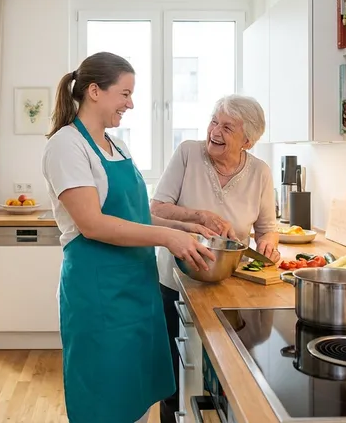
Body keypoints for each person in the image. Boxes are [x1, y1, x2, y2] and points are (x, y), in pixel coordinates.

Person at [41, 51, 217, 423]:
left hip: (137, 292)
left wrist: (184, 227)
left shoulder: (115, 145)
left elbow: (133, 216)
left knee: (136, 400)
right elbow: (93, 223)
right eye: (124, 93)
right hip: (100, 295)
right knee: (104, 402)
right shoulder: (66, 145)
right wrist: (167, 239)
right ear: (94, 91)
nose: (131, 103)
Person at [149, 94, 281, 423]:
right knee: (175, 378)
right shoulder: (188, 154)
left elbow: (267, 228)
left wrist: (268, 245)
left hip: (229, 287)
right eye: (213, 121)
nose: (214, 131)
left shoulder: (260, 172)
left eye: (227, 127)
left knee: (225, 377)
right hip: (177, 281)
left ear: (248, 140)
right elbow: (156, 209)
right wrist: (199, 215)